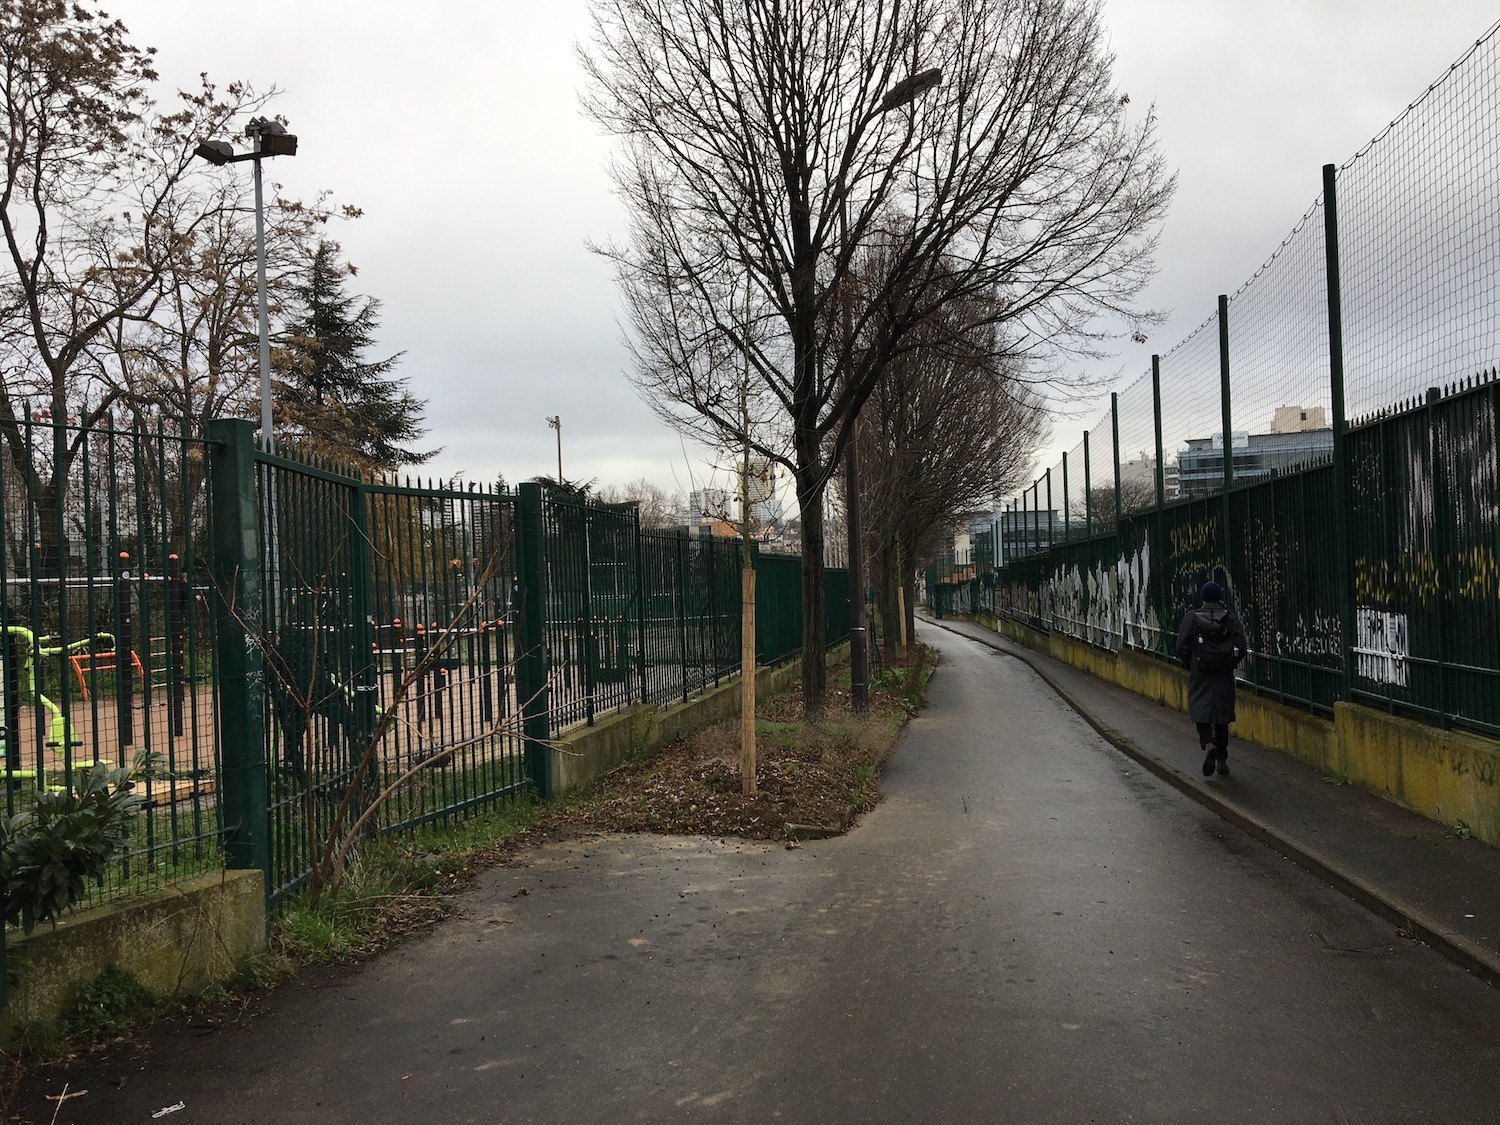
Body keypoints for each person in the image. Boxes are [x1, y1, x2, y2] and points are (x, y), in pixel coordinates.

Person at [1174, 581, 1248, 777]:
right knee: (1222, 716)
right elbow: (1241, 647)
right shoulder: (1230, 617)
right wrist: (1230, 662)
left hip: (1201, 671)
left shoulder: (1193, 617)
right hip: (1223, 673)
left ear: (1203, 598)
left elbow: (1181, 645)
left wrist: (1192, 662)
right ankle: (1222, 759)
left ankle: (1208, 743)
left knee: (1200, 710)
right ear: (1219, 597)